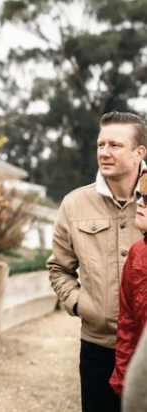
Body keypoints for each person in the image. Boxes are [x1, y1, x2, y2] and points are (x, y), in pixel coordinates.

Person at [47, 111, 147, 412]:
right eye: (100, 145)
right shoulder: (74, 204)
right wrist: (82, 304)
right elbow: (59, 267)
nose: (104, 152)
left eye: (115, 145)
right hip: (97, 346)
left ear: (139, 152)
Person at [110, 172, 147, 396]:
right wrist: (125, 382)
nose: (140, 202)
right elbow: (128, 325)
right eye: (139, 195)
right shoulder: (137, 253)